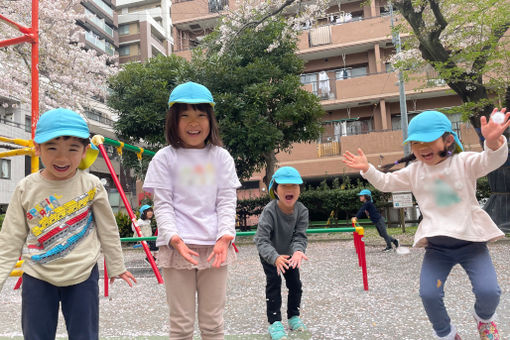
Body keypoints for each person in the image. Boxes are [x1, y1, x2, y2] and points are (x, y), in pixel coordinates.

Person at [343, 109, 509, 340]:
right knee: (429, 294)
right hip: (438, 247)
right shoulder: (414, 171)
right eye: (415, 143)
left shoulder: (463, 162)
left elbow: (491, 160)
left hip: (472, 243)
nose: (421, 148)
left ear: (448, 140)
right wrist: (367, 168)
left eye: (428, 141)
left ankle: (484, 318)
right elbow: (386, 182)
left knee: (489, 291)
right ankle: (446, 333)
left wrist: (493, 142)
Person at [0, 108, 136, 340]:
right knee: (35, 335)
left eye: (72, 149)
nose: (62, 158)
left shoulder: (91, 185)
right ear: (38, 148)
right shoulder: (26, 187)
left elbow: (108, 229)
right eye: (52, 148)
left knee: (85, 335)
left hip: (82, 275)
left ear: (84, 151)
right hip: (37, 276)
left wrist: (116, 264)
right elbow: (11, 237)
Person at [142, 81, 241, 340]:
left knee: (213, 324)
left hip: (215, 248)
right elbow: (163, 204)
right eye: (184, 115)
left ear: (211, 120)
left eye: (200, 115)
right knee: (181, 325)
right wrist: (174, 239)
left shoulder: (221, 157)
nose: (193, 123)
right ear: (173, 121)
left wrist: (224, 236)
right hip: (177, 248)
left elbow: (226, 201)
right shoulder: (164, 158)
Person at [254, 166, 309, 340]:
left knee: (295, 285)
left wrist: (298, 251)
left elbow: (299, 236)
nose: (290, 190)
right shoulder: (269, 211)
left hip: (290, 254)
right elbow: (261, 240)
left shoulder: (302, 211)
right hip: (270, 254)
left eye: (294, 186)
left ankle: (293, 317)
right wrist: (274, 257)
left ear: (299, 190)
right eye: (284, 186)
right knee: (274, 284)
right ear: (275, 190)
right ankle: (275, 322)